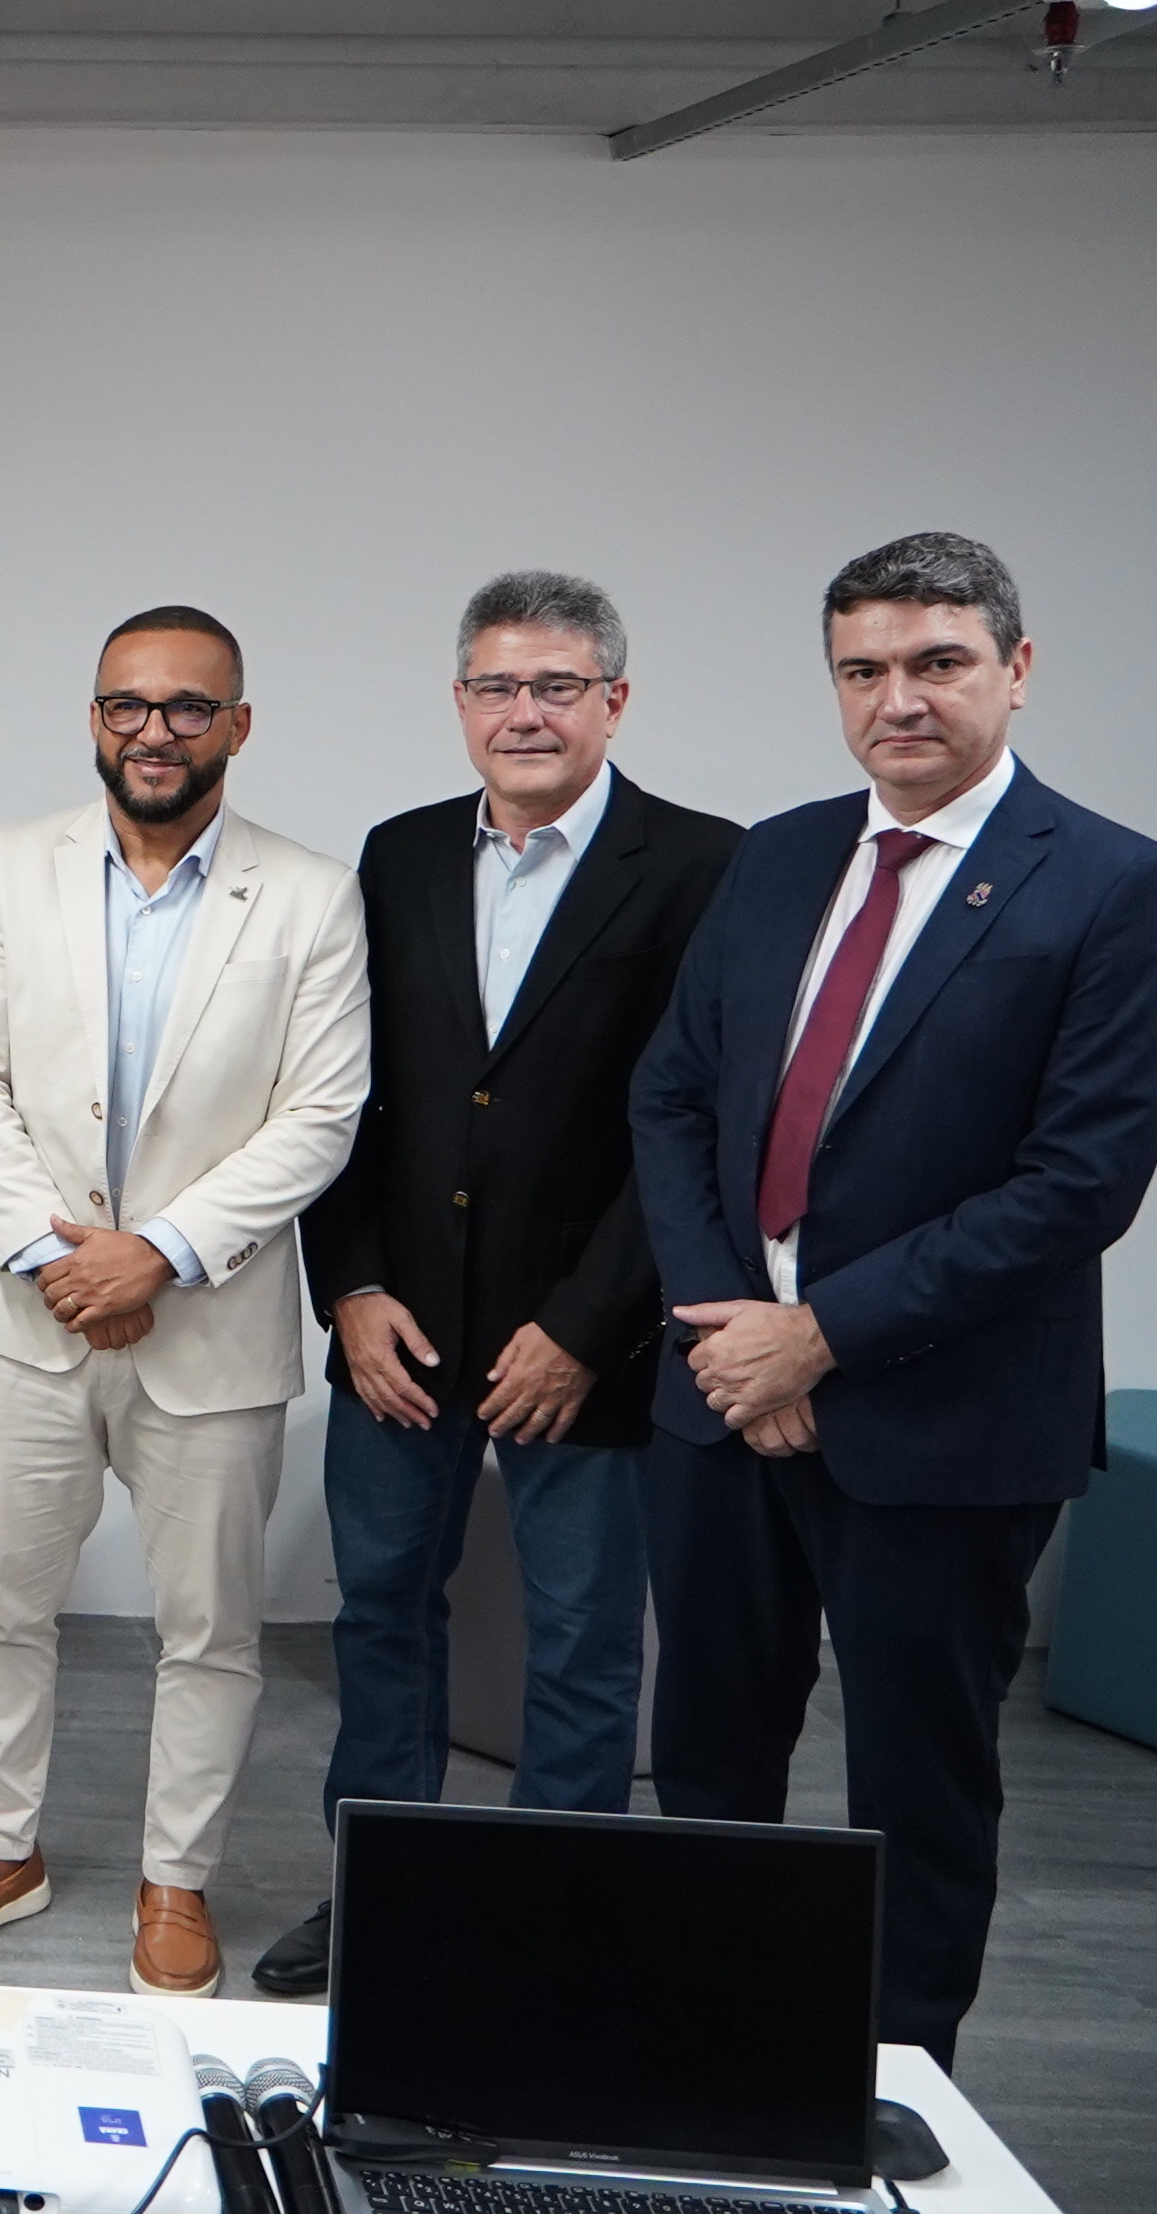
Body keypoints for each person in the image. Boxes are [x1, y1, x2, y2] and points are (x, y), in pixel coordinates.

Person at [632, 531, 1157, 2067]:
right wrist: (733, 1328)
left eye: (938, 662)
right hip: (722, 1400)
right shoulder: (781, 854)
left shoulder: (1112, 884)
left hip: (945, 1420)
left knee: (918, 1786)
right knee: (707, 1761)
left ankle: (894, 2082)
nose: (898, 698)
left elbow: (1077, 1184)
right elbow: (672, 1096)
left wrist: (821, 1337)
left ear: (1017, 667)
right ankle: (708, 2056)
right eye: (863, 668)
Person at [250, 573, 739, 1997]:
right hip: (398, 1331)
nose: (525, 713)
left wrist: (587, 1326)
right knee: (378, 1616)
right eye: (497, 686)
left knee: (582, 1643)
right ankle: (380, 1896)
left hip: (587, 1345)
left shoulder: (704, 864)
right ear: (460, 702)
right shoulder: (399, 854)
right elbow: (338, 1094)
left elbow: (694, 1126)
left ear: (614, 702)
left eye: (557, 687)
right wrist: (348, 1287)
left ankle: (550, 1925)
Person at [0, 605, 368, 1997]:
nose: (153, 731)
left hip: (209, 1322)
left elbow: (322, 1112)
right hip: (28, 1316)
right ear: (94, 718)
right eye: (128, 705)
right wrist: (56, 1257)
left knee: (210, 1630)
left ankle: (177, 1879)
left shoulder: (312, 893)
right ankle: (1, 1846)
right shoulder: (12, 863)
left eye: (186, 707)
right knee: (1, 1603)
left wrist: (156, 1251)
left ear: (238, 725)